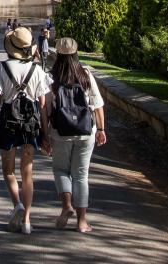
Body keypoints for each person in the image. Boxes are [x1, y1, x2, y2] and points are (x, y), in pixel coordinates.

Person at [0, 27, 51, 235]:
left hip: (8, 120)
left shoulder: (3, 68)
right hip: (30, 123)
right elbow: (43, 105)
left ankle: (17, 204)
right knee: (27, 174)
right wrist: (45, 133)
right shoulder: (38, 70)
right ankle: (26, 221)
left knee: (8, 171)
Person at [48, 38, 106, 233]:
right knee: (81, 175)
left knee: (60, 170)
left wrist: (44, 133)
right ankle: (82, 222)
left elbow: (46, 108)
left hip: (60, 132)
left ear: (58, 55)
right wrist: (101, 129)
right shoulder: (85, 74)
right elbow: (97, 105)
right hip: (84, 131)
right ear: (75, 54)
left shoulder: (51, 77)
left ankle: (66, 206)